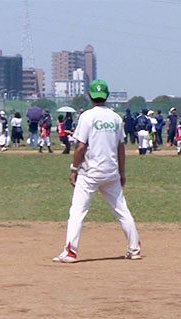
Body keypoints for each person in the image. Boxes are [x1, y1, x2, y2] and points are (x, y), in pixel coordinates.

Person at [53, 79, 141, 263]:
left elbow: (80, 146)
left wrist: (73, 169)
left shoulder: (87, 116)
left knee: (77, 211)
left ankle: (70, 252)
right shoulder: (116, 117)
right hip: (111, 171)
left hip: (89, 172)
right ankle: (134, 249)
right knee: (122, 210)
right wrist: (122, 172)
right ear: (107, 96)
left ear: (90, 96)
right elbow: (121, 147)